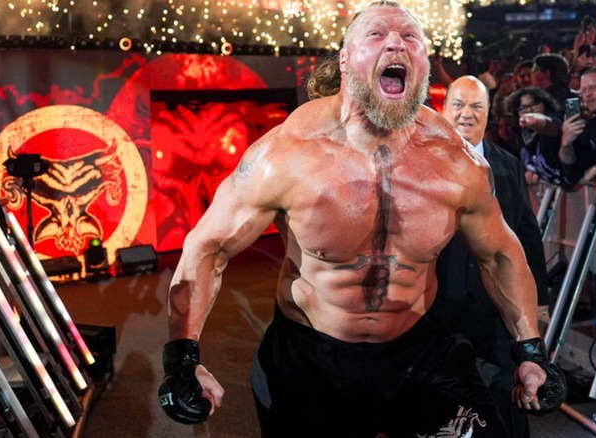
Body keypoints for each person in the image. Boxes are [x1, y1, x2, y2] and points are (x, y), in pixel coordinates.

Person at [157, 1, 565, 436]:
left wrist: (531, 352)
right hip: (311, 358)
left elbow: (501, 255)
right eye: (376, 35)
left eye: (411, 38)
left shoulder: (456, 162)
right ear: (346, 58)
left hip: (418, 353)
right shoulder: (285, 155)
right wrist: (183, 358)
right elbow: (209, 248)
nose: (396, 43)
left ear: (425, 64)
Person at [433, 75, 550, 438]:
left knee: (504, 403)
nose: (467, 114)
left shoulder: (507, 164)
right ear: (444, 109)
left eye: (477, 107)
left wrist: (539, 303)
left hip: (497, 307)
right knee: (443, 409)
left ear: (489, 112)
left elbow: (527, 236)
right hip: (438, 307)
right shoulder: (422, 163)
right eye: (459, 105)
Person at [504, 87, 567, 186]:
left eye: (534, 104)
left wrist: (535, 120)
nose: (529, 109)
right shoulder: (523, 132)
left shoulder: (555, 119)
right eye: (523, 107)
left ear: (544, 103)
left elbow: (549, 125)